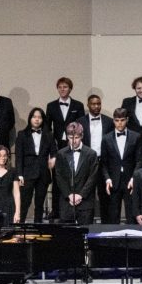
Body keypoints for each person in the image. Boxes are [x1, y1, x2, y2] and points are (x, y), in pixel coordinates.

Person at [46, 77, 85, 218]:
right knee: (58, 179)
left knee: (74, 176)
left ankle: (74, 209)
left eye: (65, 87)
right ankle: (56, 210)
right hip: (57, 146)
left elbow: (81, 126)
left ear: (70, 89)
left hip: (73, 145)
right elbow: (47, 129)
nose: (63, 89)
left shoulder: (78, 105)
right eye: (60, 87)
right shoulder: (51, 106)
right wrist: (52, 152)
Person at [53, 122, 100, 224]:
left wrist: (81, 195)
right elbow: (59, 176)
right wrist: (69, 195)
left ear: (82, 136)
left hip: (85, 203)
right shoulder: (61, 154)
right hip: (67, 202)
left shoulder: (91, 154)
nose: (73, 141)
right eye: (70, 137)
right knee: (67, 236)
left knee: (86, 235)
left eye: (77, 137)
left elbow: (93, 177)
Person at [16, 108, 56, 224]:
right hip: (27, 174)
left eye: (39, 117)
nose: (37, 119)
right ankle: (20, 227)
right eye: (34, 117)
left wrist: (53, 159)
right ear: (30, 118)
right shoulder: (22, 134)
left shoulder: (48, 135)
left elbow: (54, 151)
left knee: (39, 204)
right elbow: (19, 156)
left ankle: (37, 228)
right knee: (25, 202)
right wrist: (19, 174)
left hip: (43, 173)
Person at [101, 108, 142, 223]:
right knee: (113, 216)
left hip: (130, 181)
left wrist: (134, 178)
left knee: (132, 215)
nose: (119, 123)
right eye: (117, 120)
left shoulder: (136, 136)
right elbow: (103, 163)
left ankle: (133, 240)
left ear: (127, 120)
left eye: (122, 120)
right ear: (113, 121)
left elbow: (139, 160)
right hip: (114, 181)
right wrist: (107, 178)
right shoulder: (106, 138)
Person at [76, 94, 114, 218]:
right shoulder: (80, 122)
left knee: (105, 195)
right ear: (88, 105)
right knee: (87, 194)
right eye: (93, 104)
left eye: (98, 103)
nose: (96, 106)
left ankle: (106, 226)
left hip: (104, 162)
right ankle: (87, 225)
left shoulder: (109, 121)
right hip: (87, 162)